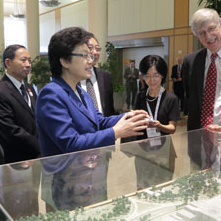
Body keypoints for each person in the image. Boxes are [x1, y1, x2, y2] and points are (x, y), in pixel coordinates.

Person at [35, 27, 149, 157]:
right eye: (84, 55)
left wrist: (128, 117)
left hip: (87, 169)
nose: (90, 60)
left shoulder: (80, 92)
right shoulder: (51, 94)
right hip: (65, 174)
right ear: (65, 61)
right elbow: (71, 143)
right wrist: (116, 132)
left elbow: (98, 122)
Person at [0, 44, 40, 163]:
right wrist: (39, 148)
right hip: (17, 160)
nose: (28, 65)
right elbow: (10, 130)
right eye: (23, 60)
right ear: (8, 63)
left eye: (30, 61)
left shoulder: (29, 88)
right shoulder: (0, 90)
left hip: (38, 158)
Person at [134, 55, 180, 140]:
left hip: (163, 146)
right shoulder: (140, 96)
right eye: (147, 76)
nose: (152, 80)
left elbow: (172, 128)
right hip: (142, 144)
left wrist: (159, 126)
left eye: (156, 76)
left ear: (162, 75)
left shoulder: (171, 98)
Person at [80, 33, 115, 116]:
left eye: (97, 49)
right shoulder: (73, 77)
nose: (95, 52)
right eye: (90, 48)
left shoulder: (105, 76)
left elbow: (110, 109)